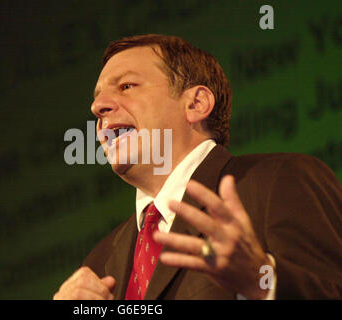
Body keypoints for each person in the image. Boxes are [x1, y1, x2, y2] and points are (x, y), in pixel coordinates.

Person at [53, 34, 342, 300]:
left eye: (127, 86)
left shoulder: (279, 182)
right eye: (97, 97)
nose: (98, 106)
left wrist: (262, 280)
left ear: (196, 104)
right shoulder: (99, 263)